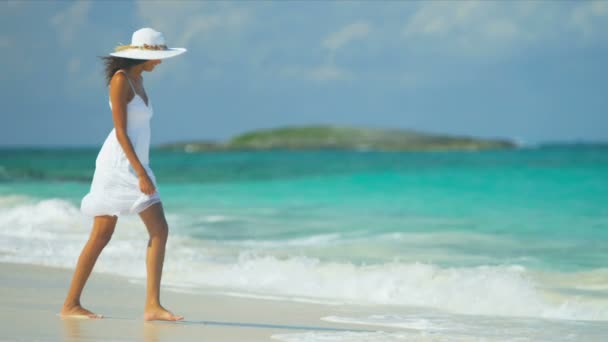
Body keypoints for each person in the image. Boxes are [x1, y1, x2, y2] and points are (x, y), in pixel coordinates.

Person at [60, 28, 186, 321]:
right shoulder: (121, 81)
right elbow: (120, 131)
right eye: (159, 56)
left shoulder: (139, 79)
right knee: (113, 233)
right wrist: (141, 172)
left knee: (145, 231)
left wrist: (142, 168)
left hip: (136, 163)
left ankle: (150, 305)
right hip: (118, 165)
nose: (162, 62)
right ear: (144, 55)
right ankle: (72, 304)